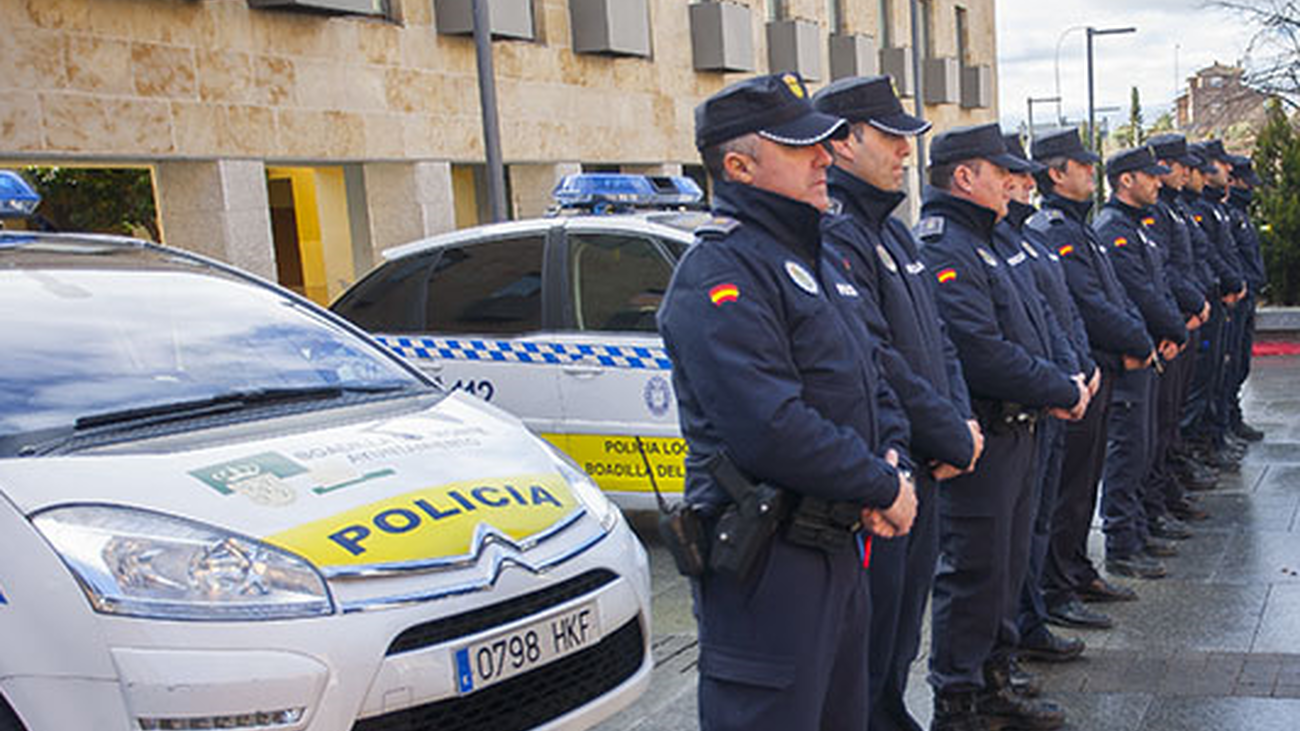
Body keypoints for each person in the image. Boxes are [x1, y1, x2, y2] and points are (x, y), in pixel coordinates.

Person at [657, 72, 917, 731]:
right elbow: (770, 426)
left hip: (837, 546)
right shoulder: (719, 272)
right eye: (803, 148)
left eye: (824, 144)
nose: (825, 157)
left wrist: (893, 455)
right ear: (739, 165)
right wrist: (883, 483)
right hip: (771, 565)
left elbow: (873, 379)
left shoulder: (817, 259)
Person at [812, 76, 983, 731]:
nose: (906, 152)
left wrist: (958, 421)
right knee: (872, 636)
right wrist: (946, 433)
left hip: (928, 462)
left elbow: (938, 339)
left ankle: (890, 712)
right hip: (891, 469)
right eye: (891, 137)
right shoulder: (838, 233)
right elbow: (874, 356)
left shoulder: (896, 231)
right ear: (844, 143)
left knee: (901, 632)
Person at [918, 123, 1087, 731]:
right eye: (1001, 171)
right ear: (965, 176)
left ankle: (996, 676)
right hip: (989, 433)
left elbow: (1041, 318)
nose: (1015, 182)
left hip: (1023, 426)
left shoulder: (986, 238)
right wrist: (1058, 385)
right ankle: (959, 699)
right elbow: (980, 349)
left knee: (1008, 564)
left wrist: (1067, 376)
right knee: (974, 570)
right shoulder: (945, 245)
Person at [1028, 129, 1150, 623]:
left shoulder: (1077, 229)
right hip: (1082, 374)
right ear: (1056, 174)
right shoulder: (1055, 229)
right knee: (1068, 489)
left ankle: (1075, 569)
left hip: (1096, 370)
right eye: (1081, 165)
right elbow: (1083, 304)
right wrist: (1137, 340)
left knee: (1083, 484)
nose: (1089, 172)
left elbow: (1109, 295)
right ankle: (1057, 585)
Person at [995, 133, 1095, 669]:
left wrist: (1080, 368)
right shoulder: (1011, 239)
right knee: (998, 551)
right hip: (1020, 411)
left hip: (1056, 396)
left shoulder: (1022, 240)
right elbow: (987, 343)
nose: (1025, 184)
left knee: (1035, 526)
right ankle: (995, 660)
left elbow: (1057, 313)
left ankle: (1029, 621)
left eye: (1027, 175)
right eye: (1014, 174)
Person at [1092, 146, 1189, 578]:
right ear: (1125, 181)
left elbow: (1159, 282)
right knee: (1128, 449)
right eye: (1149, 176)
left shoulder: (1138, 227)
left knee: (1147, 441)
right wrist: (1166, 331)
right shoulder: (1113, 228)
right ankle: (1122, 542)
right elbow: (1134, 293)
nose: (1158, 181)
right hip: (1131, 355)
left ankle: (1138, 529)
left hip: (1150, 347)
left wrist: (1172, 329)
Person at [1146, 134, 1214, 521]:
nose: (1190, 174)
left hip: (1187, 318)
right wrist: (1183, 317)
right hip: (1171, 326)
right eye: (1182, 167)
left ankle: (1168, 488)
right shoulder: (1150, 216)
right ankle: (1150, 511)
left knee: (1171, 417)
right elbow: (1159, 278)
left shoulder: (1173, 210)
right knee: (1154, 429)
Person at [1224, 154, 1267, 442]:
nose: (1250, 189)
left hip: (1247, 295)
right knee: (1228, 365)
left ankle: (1231, 417)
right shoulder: (1226, 213)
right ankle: (1225, 422)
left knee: (1240, 363)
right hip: (1234, 299)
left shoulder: (1239, 214)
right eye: (1245, 183)